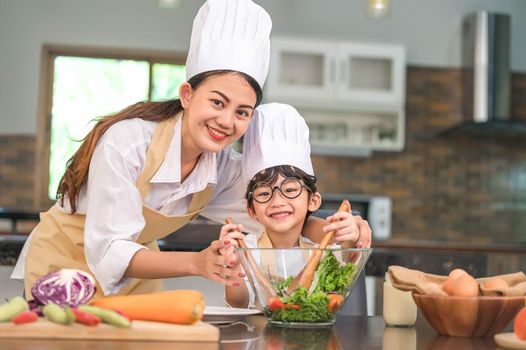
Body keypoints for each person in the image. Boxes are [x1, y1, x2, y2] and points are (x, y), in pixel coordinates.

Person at [12, 0, 370, 299]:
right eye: (217, 102)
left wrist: (345, 233)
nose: (227, 121)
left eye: (241, 112)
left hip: (139, 272)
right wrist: (197, 263)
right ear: (187, 95)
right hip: (62, 265)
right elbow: (108, 249)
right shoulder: (128, 143)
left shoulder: (224, 169)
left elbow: (279, 216)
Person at [219, 103, 366, 308]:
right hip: (260, 338)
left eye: (290, 190)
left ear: (313, 201)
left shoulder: (325, 250)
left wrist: (350, 236)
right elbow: (239, 303)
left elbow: (349, 257)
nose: (277, 201)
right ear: (252, 210)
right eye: (263, 193)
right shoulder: (248, 249)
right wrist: (233, 266)